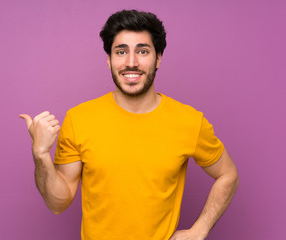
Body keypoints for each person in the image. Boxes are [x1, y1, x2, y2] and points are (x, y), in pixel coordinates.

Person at [20, 9, 239, 240]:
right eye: (121, 51)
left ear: (159, 59)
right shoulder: (79, 119)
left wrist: (199, 230)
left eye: (143, 51)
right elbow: (58, 202)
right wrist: (41, 154)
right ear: (109, 60)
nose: (131, 62)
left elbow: (228, 175)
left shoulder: (190, 122)